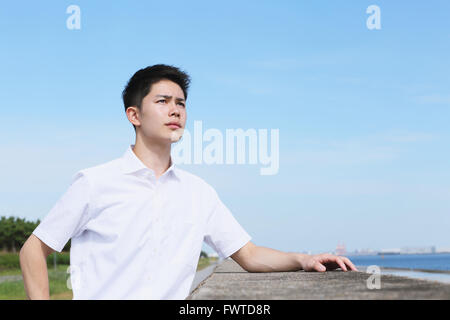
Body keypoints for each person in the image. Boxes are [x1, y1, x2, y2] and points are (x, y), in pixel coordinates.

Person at [19, 64, 358, 300]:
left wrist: (304, 259)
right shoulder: (95, 183)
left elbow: (250, 255)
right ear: (134, 115)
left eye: (181, 103)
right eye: (163, 101)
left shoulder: (199, 193)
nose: (176, 110)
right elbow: (34, 248)